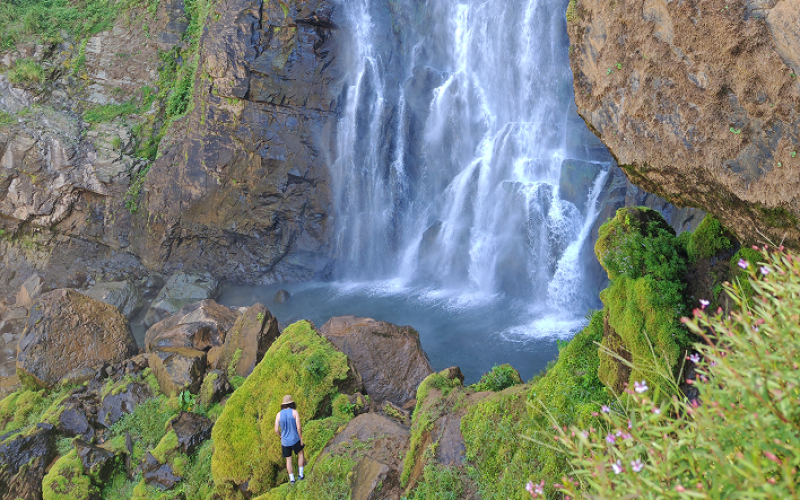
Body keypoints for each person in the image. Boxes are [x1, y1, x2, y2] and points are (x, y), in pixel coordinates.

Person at [275, 395, 305, 484]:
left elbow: (276, 429)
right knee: (301, 454)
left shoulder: (278, 414)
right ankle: (301, 475)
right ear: (292, 403)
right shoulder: (294, 412)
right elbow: (299, 427)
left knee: (288, 460)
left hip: (285, 442)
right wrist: (300, 437)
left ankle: (292, 479)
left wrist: (281, 436)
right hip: (295, 439)